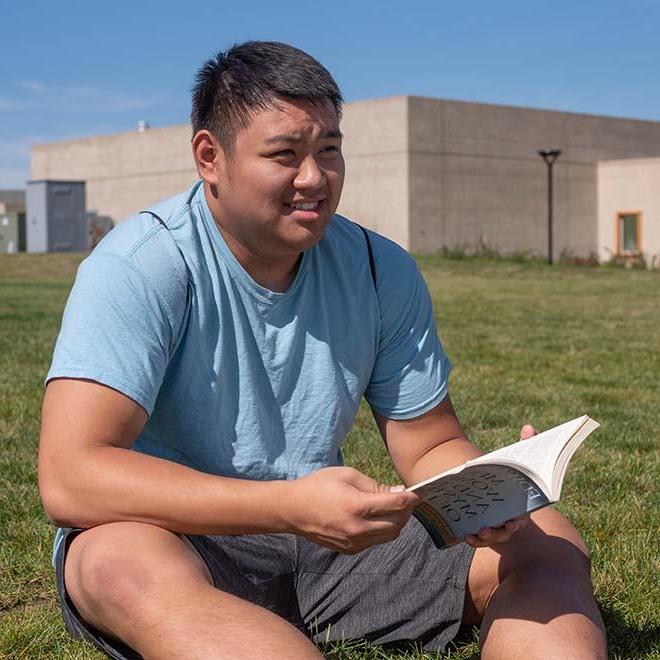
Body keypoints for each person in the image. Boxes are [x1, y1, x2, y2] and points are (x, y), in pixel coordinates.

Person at [38, 41, 607, 659]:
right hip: (174, 536)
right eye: (284, 155)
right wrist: (286, 505)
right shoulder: (142, 265)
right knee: (116, 564)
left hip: (332, 546)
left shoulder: (376, 267)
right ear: (210, 156)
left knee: (547, 546)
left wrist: (486, 492)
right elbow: (72, 476)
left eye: (329, 151)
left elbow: (429, 443)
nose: (314, 178)